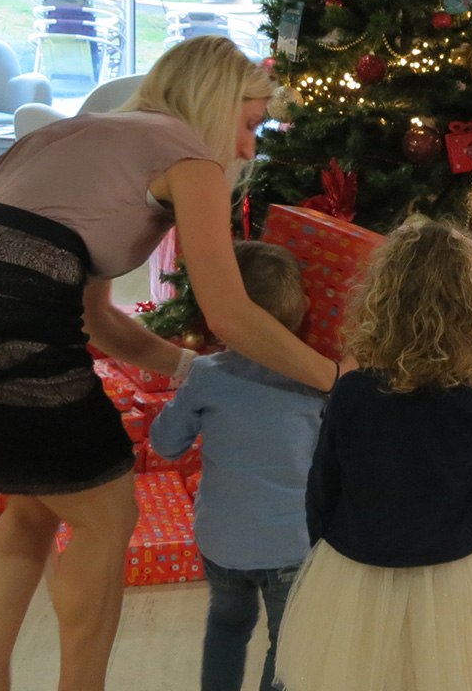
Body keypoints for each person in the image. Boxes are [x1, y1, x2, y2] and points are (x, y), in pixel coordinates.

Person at [0, 35, 345, 691]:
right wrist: (337, 381)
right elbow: (230, 314)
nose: (250, 146)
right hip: (8, 328)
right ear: (218, 102)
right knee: (108, 516)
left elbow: (98, 319)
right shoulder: (192, 160)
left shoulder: (82, 132)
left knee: (34, 507)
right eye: (251, 124)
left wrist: (195, 372)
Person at [273, 220, 472, 691]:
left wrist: (325, 556)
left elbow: (323, 486)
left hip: (365, 557)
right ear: (469, 308)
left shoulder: (351, 393)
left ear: (381, 300)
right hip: (461, 561)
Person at [149, 240, 327, 691]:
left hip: (222, 542)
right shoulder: (319, 380)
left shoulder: (208, 374)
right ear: (304, 308)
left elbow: (165, 444)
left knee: (227, 626)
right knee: (286, 645)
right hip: (291, 545)